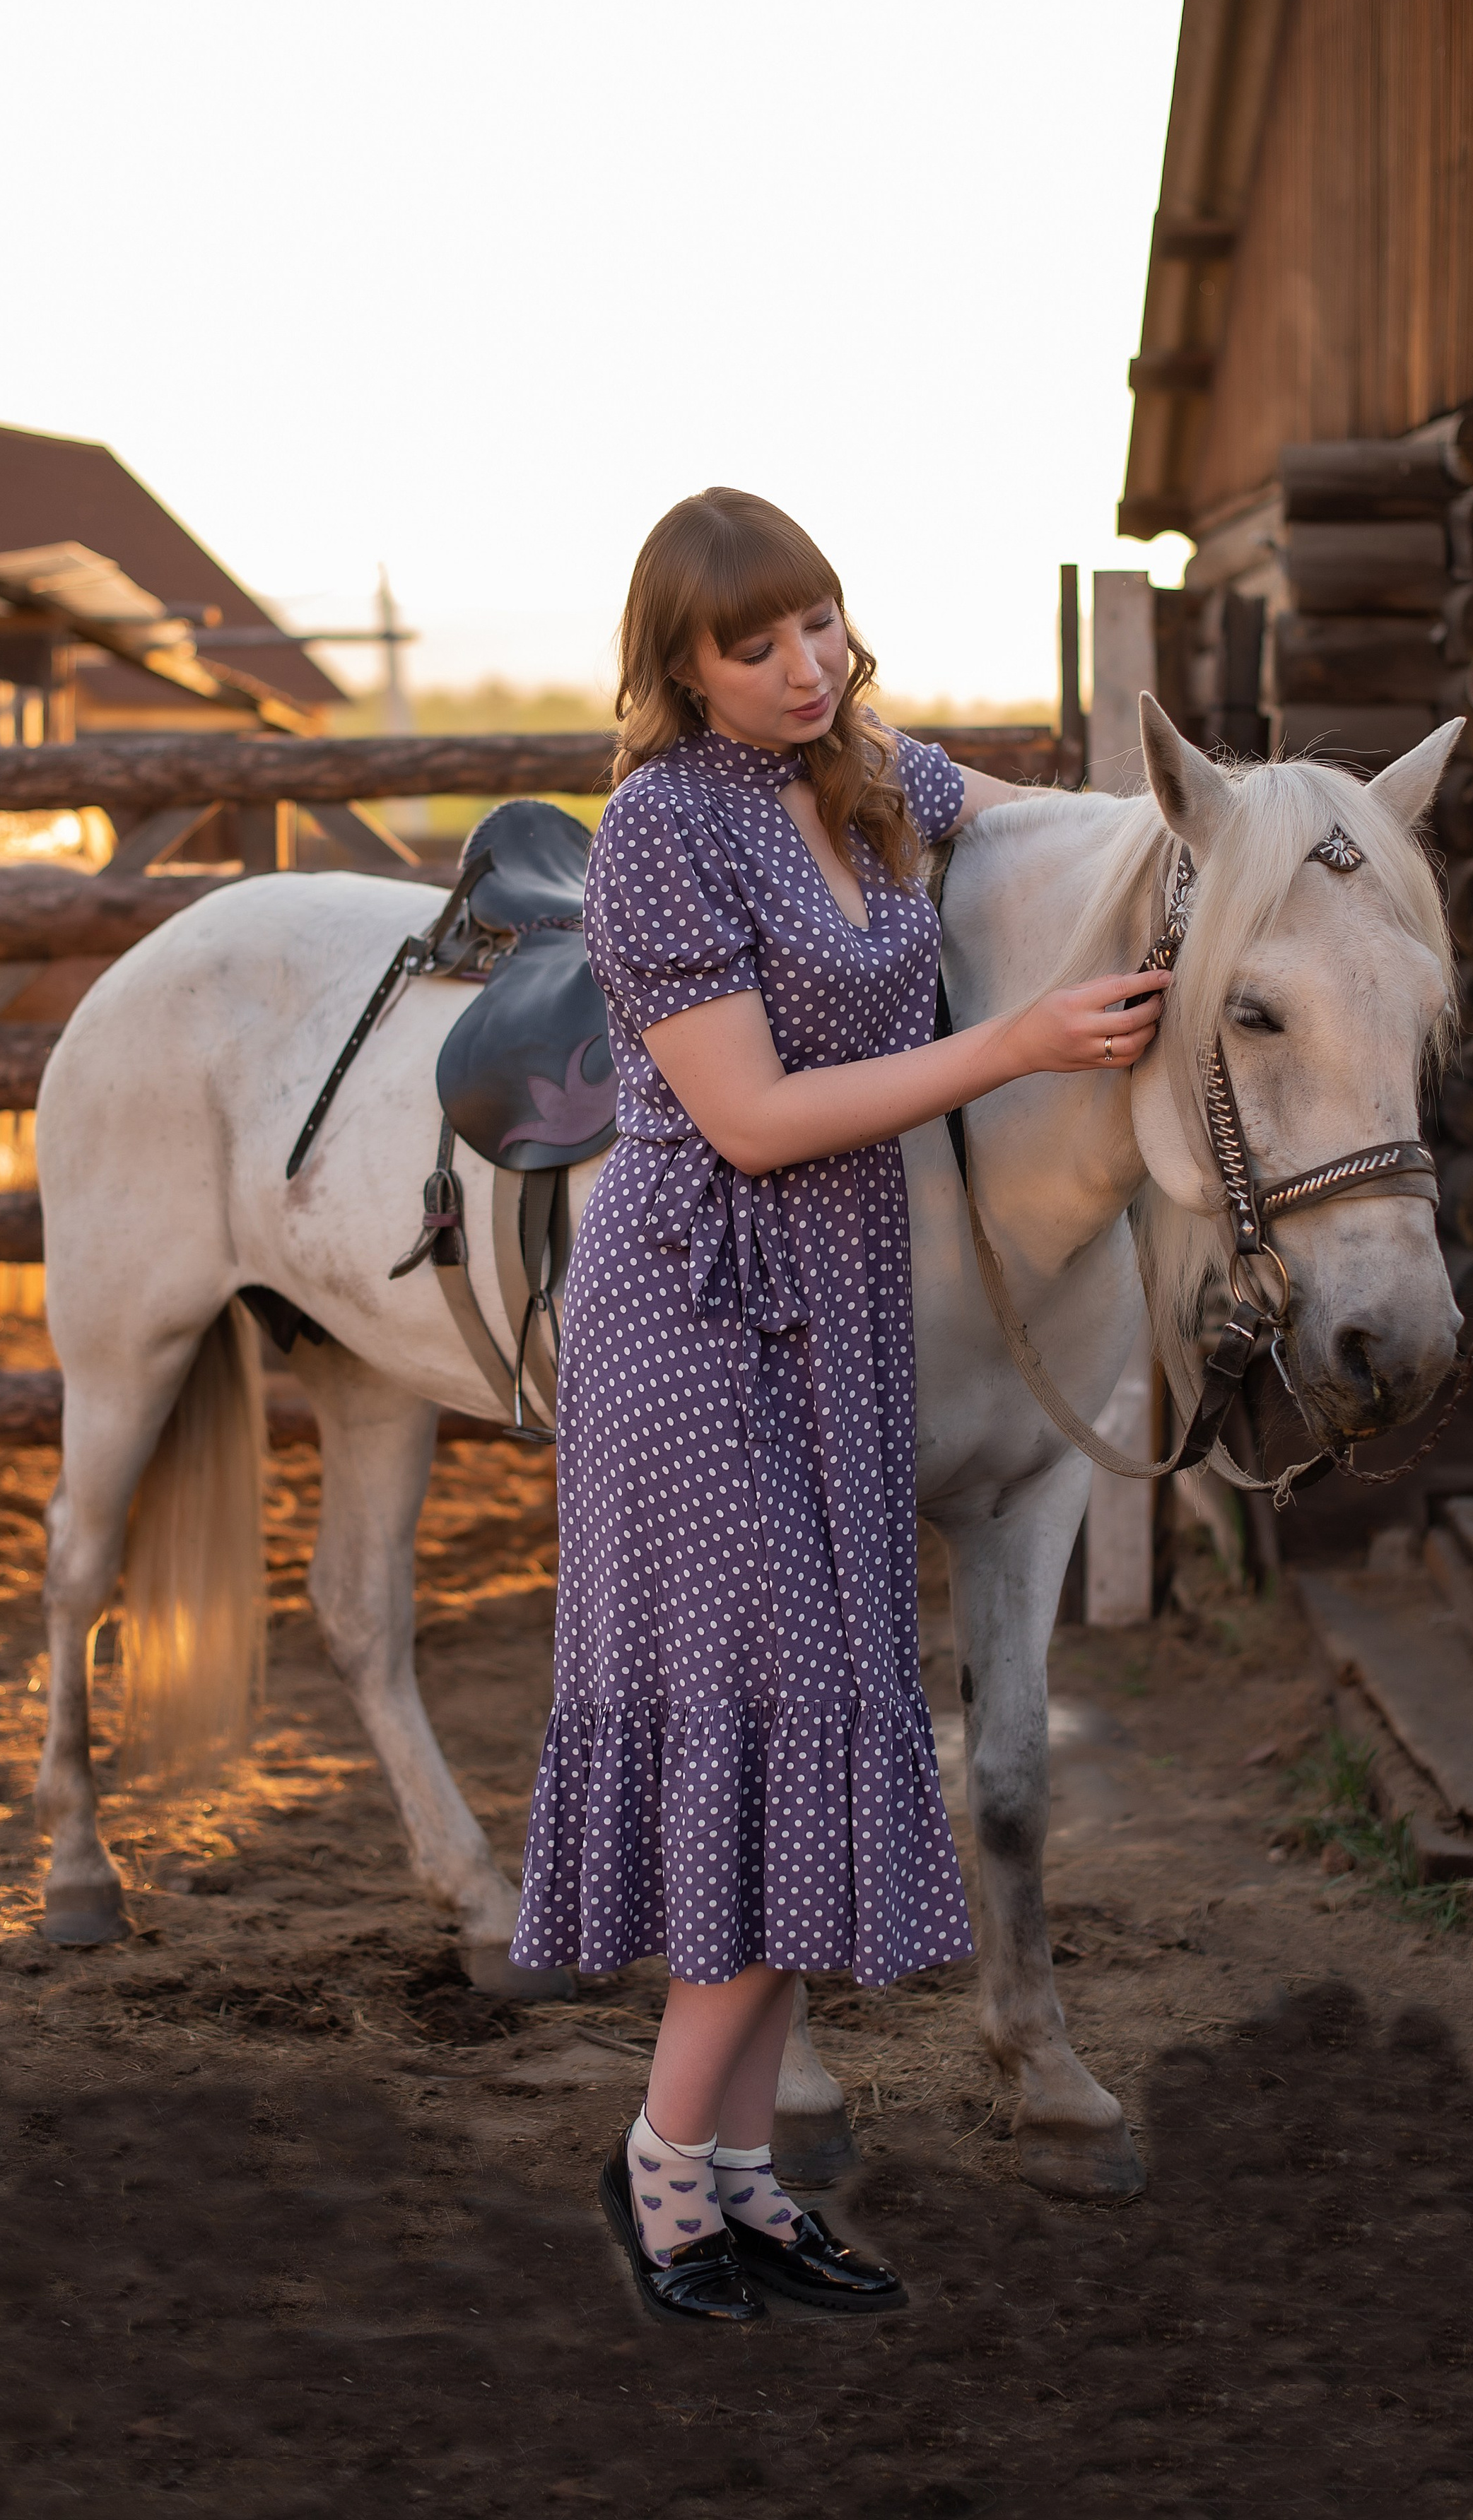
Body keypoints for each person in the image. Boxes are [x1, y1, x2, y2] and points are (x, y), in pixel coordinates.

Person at [510, 488, 1167, 2323]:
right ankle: (658, 2174)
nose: (806, 669)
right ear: (682, 667)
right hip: (701, 1313)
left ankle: (738, 2185)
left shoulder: (876, 773)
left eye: (822, 627)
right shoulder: (659, 835)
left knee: (833, 1732)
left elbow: (1057, 827)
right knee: (784, 1710)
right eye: (757, 646)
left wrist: (1243, 843)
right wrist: (1021, 1045)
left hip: (846, 1318)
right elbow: (754, 1118)